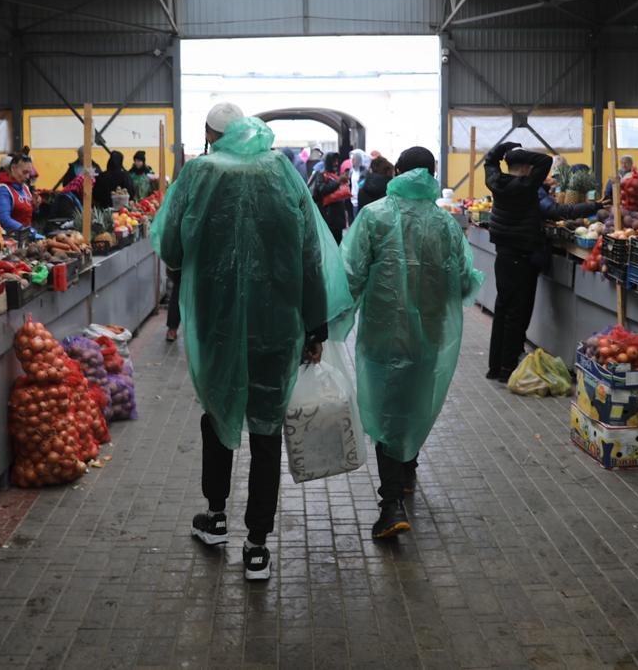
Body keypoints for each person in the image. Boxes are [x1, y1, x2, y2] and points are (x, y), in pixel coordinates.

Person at [151, 103, 350, 581]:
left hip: (217, 321)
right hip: (277, 324)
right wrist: (315, 325)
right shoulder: (283, 171)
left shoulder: (199, 173)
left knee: (218, 411)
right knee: (266, 429)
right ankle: (257, 545)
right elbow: (309, 254)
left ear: (210, 133)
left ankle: (215, 516)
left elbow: (172, 248)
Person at [336, 147, 483, 538]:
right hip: (429, 335)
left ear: (397, 171)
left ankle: (391, 503)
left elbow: (350, 276)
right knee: (414, 401)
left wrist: (330, 323)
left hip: (384, 334)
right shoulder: (446, 224)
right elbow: (466, 282)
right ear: (433, 173)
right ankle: (406, 474)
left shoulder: (373, 216)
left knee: (387, 411)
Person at [484, 142, 554, 383]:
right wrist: (515, 152)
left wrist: (504, 150)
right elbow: (546, 161)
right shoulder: (525, 186)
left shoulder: (495, 182)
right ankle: (507, 368)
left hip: (503, 254)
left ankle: (495, 367)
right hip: (521, 256)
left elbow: (489, 162)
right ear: (525, 167)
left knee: (502, 309)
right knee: (517, 313)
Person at [0, 153, 35, 232]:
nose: (27, 176)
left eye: (29, 173)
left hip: (23, 237)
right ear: (13, 168)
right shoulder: (1, 190)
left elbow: (25, 213)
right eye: (24, 172)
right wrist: (27, 231)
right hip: (6, 239)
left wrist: (35, 205)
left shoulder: (24, 188)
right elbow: (4, 220)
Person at [311, 152, 351, 244]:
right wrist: (338, 182)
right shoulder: (321, 175)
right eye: (333, 161)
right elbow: (322, 190)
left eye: (337, 161)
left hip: (338, 218)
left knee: (338, 242)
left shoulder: (336, 175)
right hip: (328, 217)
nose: (336, 163)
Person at [348, 149, 370, 216]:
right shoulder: (351, 171)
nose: (352, 161)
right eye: (352, 159)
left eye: (354, 159)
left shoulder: (364, 172)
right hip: (352, 199)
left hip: (360, 200)